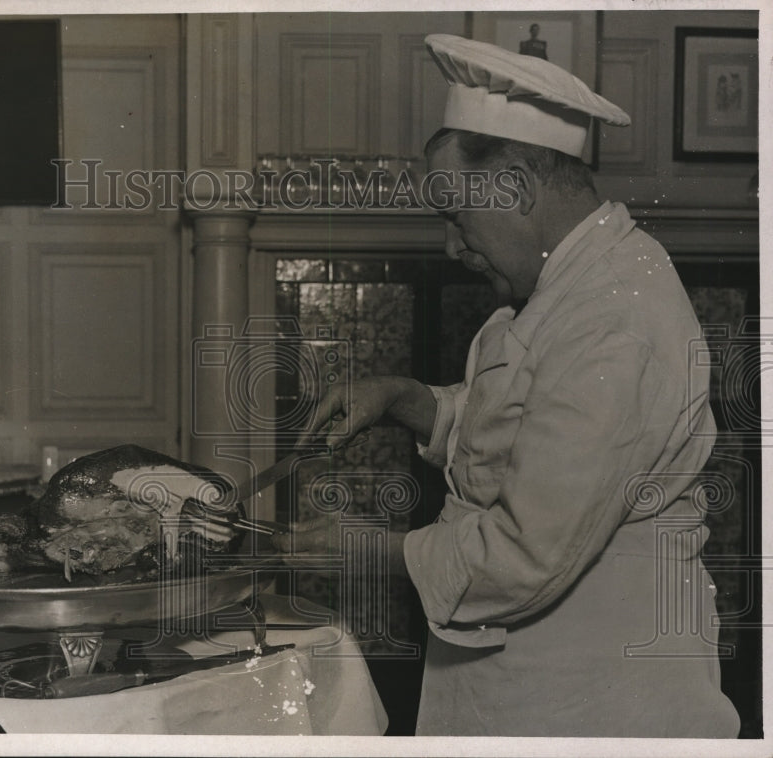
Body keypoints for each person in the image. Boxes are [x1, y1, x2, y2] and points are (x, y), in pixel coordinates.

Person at [271, 34, 741, 738]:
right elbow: (526, 429)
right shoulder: (572, 287)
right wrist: (409, 399)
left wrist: (370, 549)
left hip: (599, 704)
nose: (452, 248)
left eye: (458, 219)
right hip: (534, 689)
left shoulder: (615, 318)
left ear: (516, 185)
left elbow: (527, 552)